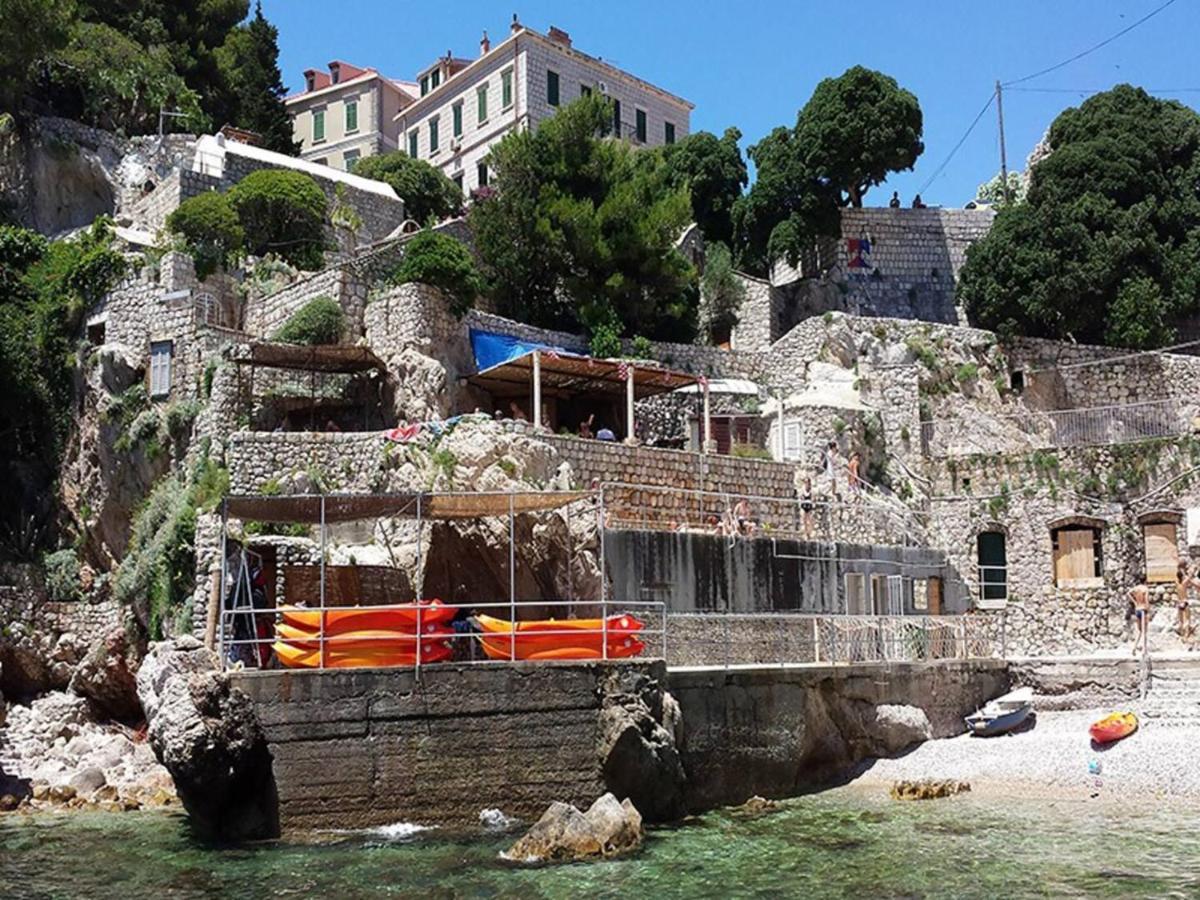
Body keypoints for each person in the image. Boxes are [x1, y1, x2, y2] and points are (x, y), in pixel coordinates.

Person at [1130, 578, 1151, 657]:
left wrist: (1135, 602)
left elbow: (1128, 593)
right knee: (1145, 631)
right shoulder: (1145, 589)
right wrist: (1148, 611)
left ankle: (1134, 647)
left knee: (1139, 631)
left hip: (1137, 609)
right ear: (1145, 581)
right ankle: (1144, 650)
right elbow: (1146, 601)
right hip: (1143, 610)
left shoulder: (1136, 588)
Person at [1176, 561, 1193, 640]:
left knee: (1181, 620)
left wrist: (1179, 569)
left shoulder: (1177, 583)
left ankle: (1181, 634)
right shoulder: (1184, 583)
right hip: (1185, 601)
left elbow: (1178, 575)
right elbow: (1189, 577)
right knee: (1187, 619)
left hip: (1179, 602)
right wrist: (1188, 571)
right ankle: (1186, 635)